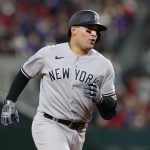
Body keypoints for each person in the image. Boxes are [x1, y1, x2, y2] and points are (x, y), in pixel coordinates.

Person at [1, 10, 117, 150]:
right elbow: (24, 73)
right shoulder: (49, 53)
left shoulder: (104, 65)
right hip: (49, 124)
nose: (94, 34)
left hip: (79, 132)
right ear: (74, 30)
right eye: (89, 29)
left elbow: (110, 109)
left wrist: (101, 98)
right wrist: (10, 101)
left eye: (96, 31)